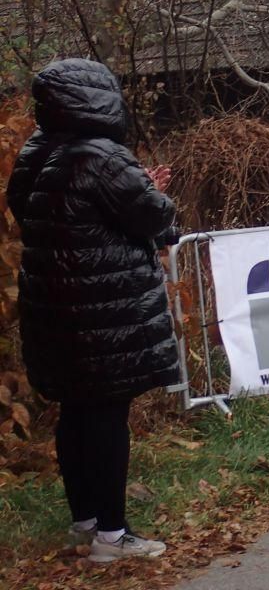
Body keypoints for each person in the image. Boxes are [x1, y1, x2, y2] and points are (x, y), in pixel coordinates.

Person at [7, 59, 179, 562]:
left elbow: (42, 213)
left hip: (53, 309)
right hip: (104, 311)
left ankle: (84, 523)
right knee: (107, 414)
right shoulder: (103, 156)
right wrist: (155, 192)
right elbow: (151, 215)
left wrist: (136, 188)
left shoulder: (36, 152)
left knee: (75, 410)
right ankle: (112, 536)